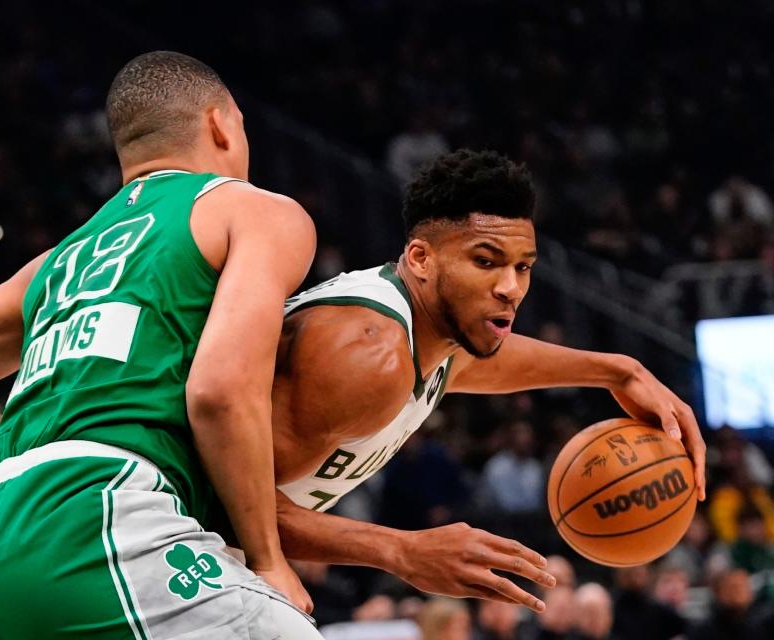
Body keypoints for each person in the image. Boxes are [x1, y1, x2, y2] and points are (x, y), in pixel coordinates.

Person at [0, 51, 321, 639]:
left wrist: (38, 470)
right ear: (221, 123)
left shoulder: (59, 260)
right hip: (96, 523)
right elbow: (219, 390)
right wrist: (268, 560)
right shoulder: (254, 210)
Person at [270, 150, 706, 611]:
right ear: (420, 257)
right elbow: (218, 494)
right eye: (486, 261)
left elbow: (479, 363)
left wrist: (619, 370)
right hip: (193, 534)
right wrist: (401, 551)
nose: (511, 288)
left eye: (522, 267)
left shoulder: (429, 332)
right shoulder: (369, 357)